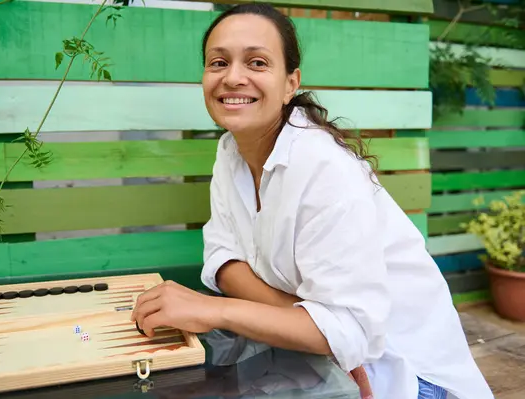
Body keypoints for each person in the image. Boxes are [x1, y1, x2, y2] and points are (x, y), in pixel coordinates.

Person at [130, 4, 494, 399]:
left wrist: (214, 309)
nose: (233, 77)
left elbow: (351, 334)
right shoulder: (231, 151)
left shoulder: (323, 167)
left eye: (256, 62)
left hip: (406, 375)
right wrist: (309, 322)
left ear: (290, 84)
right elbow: (222, 258)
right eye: (218, 62)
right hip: (326, 360)